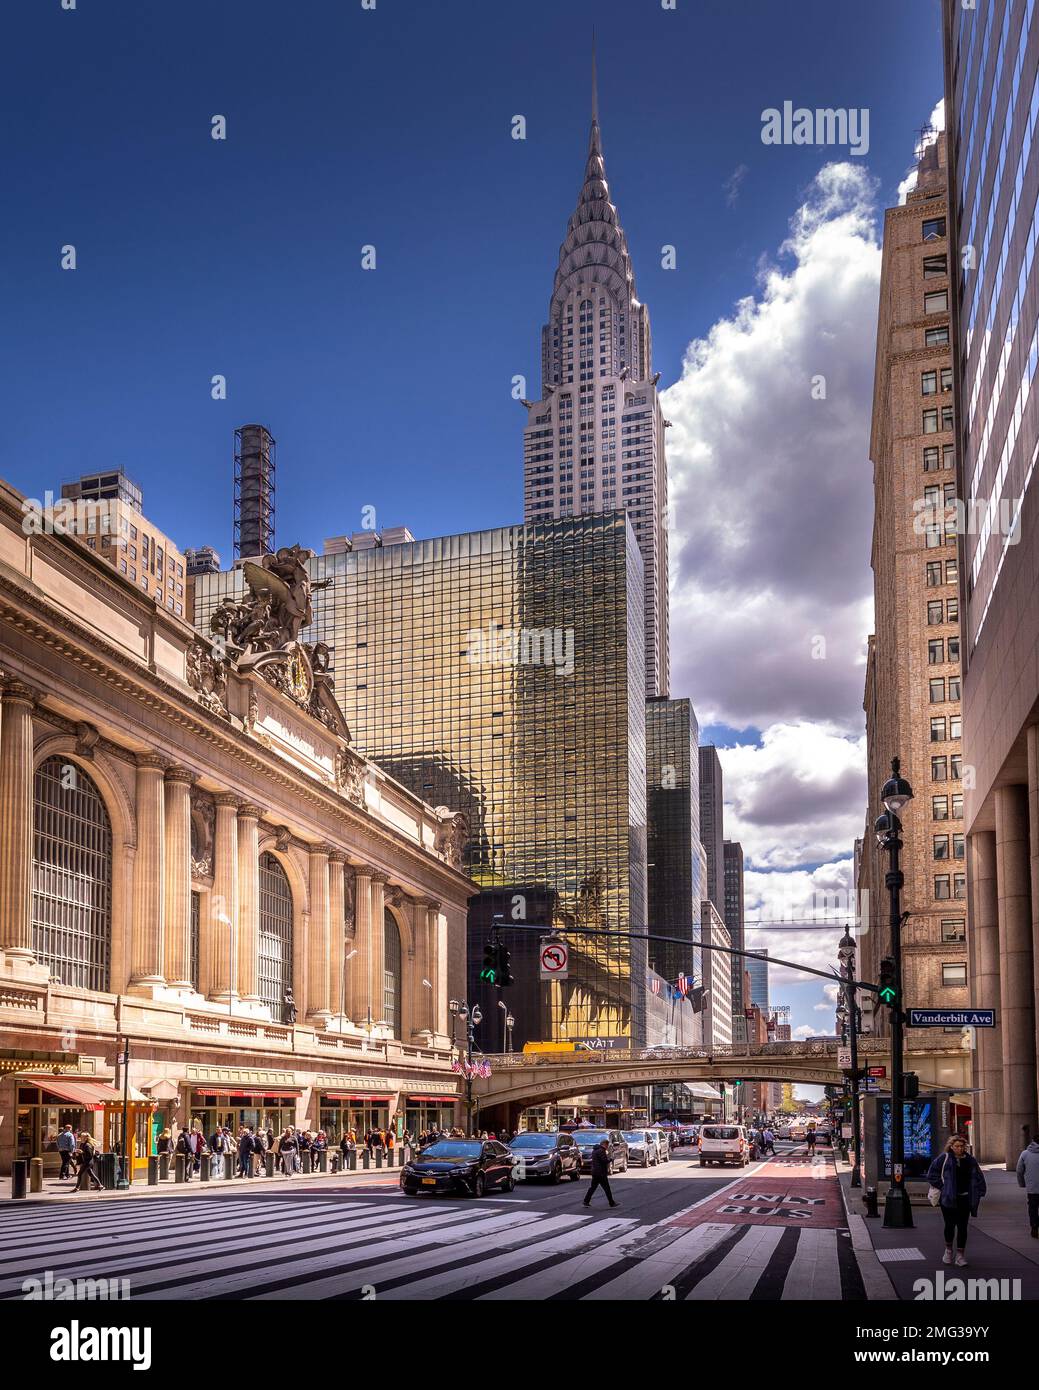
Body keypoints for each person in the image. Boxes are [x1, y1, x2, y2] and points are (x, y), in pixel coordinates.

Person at [927, 1134, 986, 1266]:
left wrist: (980, 1191)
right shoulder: (945, 1158)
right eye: (957, 1146)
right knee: (949, 1225)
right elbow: (931, 1174)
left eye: (962, 1146)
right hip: (948, 1198)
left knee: (963, 1226)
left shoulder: (970, 1160)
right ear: (951, 1147)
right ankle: (948, 1251)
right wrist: (944, 1188)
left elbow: (978, 1177)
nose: (960, 1148)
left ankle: (960, 1255)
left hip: (965, 1198)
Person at [583, 1139, 619, 1209]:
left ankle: (586, 1201)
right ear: (604, 1144)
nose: (607, 1147)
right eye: (607, 1145)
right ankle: (611, 1203)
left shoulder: (595, 1150)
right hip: (601, 1173)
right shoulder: (601, 1151)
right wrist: (611, 1159)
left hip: (595, 1172)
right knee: (607, 1188)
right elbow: (604, 1161)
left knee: (593, 1188)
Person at [1016, 1136, 1039, 1237]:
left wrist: (1022, 1183)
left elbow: (1019, 1170)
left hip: (1032, 1188)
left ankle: (1034, 1227)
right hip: (1033, 1187)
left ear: (1032, 1141)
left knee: (1033, 1208)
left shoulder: (1025, 1153)